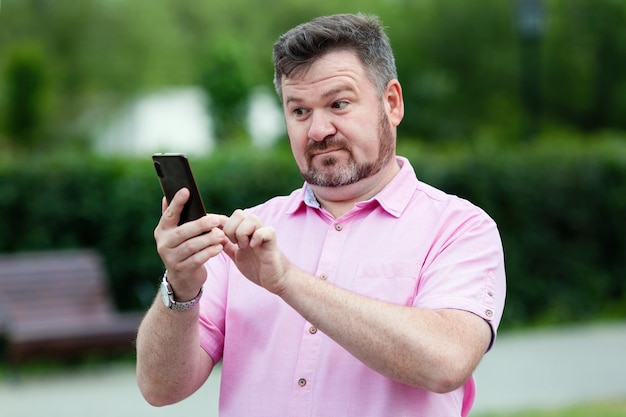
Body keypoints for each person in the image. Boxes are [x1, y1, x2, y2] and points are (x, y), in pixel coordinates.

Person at [136, 13, 506, 417]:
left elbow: (446, 362)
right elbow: (159, 388)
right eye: (299, 111)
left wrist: (288, 282)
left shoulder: (459, 228)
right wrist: (181, 286)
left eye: (338, 104)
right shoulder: (242, 239)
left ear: (392, 103)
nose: (317, 130)